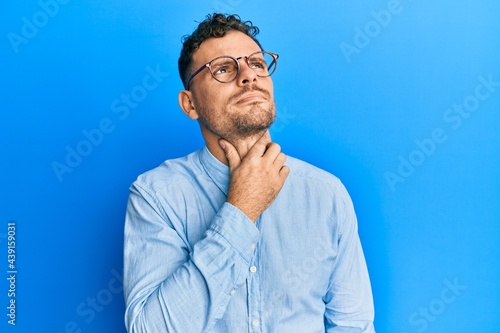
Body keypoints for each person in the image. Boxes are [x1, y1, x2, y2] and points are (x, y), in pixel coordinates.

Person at [123, 13, 375, 333]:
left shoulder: (327, 194)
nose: (249, 76)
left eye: (257, 63)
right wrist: (242, 208)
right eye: (224, 69)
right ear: (190, 104)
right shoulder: (156, 195)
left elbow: (354, 326)